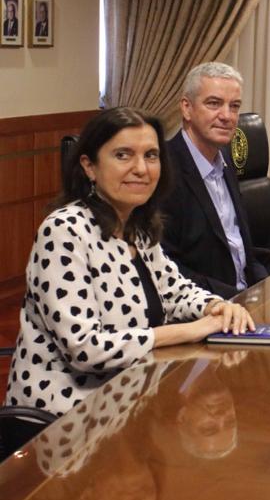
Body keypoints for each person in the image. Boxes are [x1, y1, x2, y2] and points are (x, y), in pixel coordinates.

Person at [3, 107, 254, 425]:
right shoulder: (65, 230)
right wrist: (188, 330)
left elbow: (174, 291)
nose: (141, 169)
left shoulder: (138, 226)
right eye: (123, 155)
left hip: (130, 402)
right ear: (89, 167)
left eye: (151, 156)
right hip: (65, 419)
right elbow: (84, 348)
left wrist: (215, 307)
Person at [161, 62, 268, 298]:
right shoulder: (163, 170)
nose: (227, 116)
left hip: (247, 297)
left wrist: (265, 287)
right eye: (214, 103)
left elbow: (241, 247)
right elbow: (167, 267)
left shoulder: (225, 159)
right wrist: (233, 299)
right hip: (204, 305)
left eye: (234, 106)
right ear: (187, 108)